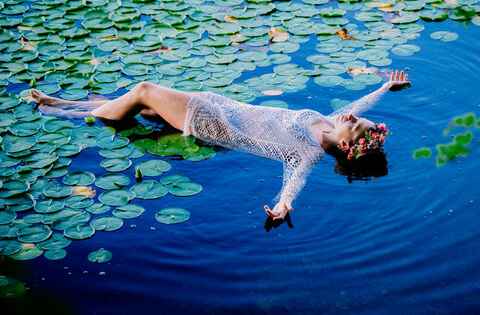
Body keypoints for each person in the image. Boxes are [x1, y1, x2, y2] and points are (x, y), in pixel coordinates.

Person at [30, 70, 410, 220]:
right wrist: (383, 88)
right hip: (223, 106)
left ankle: (65, 113)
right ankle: (68, 105)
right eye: (357, 119)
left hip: (212, 124)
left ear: (347, 149)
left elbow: (294, 181)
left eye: (356, 127)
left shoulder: (306, 152)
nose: (352, 117)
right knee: (143, 108)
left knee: (145, 91)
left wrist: (282, 206)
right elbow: (358, 108)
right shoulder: (332, 125)